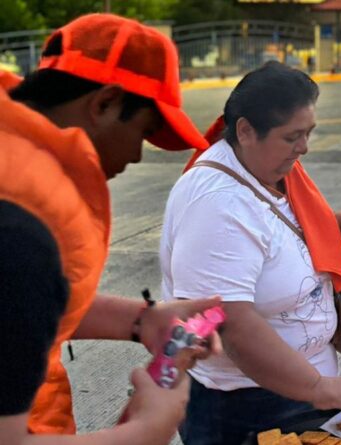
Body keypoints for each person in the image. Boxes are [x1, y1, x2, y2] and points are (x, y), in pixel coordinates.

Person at [0, 13, 220, 444]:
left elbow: (21, 305)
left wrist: (142, 321)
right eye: (143, 131)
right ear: (105, 103)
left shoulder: (16, 172)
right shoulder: (22, 228)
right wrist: (147, 430)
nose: (138, 155)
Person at [160, 61, 341, 445]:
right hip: (243, 405)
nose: (304, 147)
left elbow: (287, 233)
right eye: (292, 136)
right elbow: (231, 323)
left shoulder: (268, 170)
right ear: (246, 130)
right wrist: (317, 386)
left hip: (296, 391)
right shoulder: (218, 205)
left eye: (308, 133)